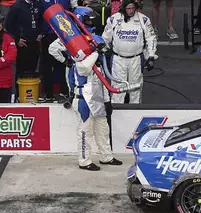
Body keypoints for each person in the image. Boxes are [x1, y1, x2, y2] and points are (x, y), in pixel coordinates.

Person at [71, 38, 122, 170]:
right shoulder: (78, 59)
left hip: (98, 101)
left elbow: (103, 84)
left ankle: (106, 156)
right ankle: (84, 161)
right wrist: (95, 53)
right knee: (84, 132)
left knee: (103, 130)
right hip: (83, 101)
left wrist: (107, 101)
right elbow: (84, 69)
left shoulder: (99, 64)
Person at [102, 0, 157, 104]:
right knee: (118, 89)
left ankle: (135, 113)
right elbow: (105, 39)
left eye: (133, 8)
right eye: (128, 8)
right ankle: (116, 114)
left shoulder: (144, 19)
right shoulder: (114, 19)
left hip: (136, 59)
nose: (131, 11)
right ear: (123, 8)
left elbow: (151, 38)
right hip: (118, 59)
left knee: (135, 88)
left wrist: (151, 56)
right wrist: (100, 51)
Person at [5, 0, 44, 92]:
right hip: (22, 44)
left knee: (33, 69)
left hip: (35, 42)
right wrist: (17, 39)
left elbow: (42, 20)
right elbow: (8, 25)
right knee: (21, 70)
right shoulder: (16, 6)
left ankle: (31, 93)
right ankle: (19, 94)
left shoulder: (38, 5)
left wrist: (41, 33)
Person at [40, 0, 72, 102]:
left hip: (63, 35)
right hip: (47, 35)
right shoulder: (41, 1)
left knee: (63, 64)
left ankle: (65, 92)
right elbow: (38, 15)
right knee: (47, 66)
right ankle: (49, 94)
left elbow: (70, 13)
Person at [0, 11, 16, 102]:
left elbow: (11, 55)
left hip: (3, 83)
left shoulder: (8, 38)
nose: (0, 26)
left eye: (1, 23)